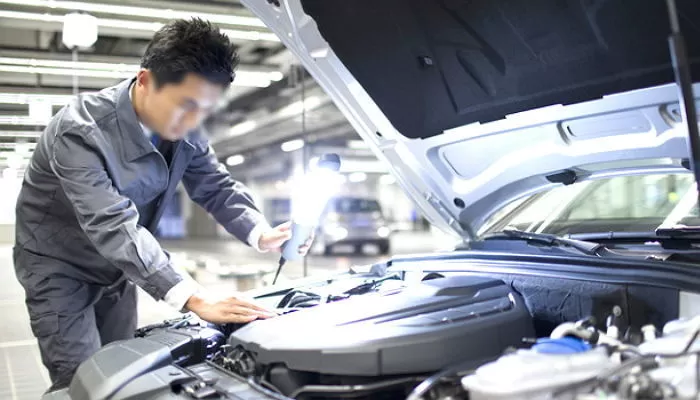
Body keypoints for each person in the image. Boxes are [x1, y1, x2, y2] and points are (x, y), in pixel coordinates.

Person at [13, 18, 311, 392]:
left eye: (204, 109)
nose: (193, 121)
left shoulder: (187, 127)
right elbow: (112, 224)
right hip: (59, 269)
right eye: (185, 105)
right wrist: (192, 296)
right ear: (145, 81)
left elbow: (215, 185)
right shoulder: (80, 131)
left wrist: (262, 233)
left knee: (122, 373)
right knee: (82, 382)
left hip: (118, 271)